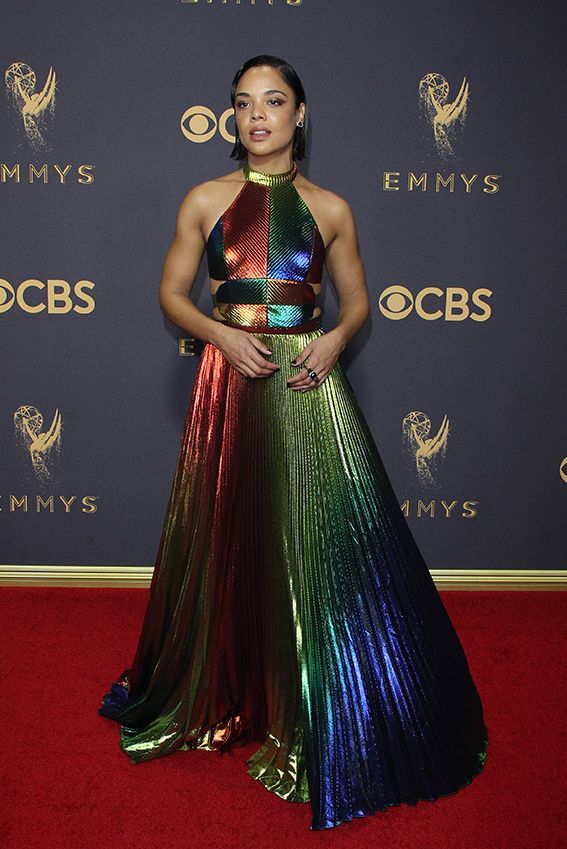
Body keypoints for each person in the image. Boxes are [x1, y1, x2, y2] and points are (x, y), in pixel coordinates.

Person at [99, 54, 488, 831]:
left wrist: (336, 338)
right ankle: (227, 686)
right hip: (228, 381)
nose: (257, 116)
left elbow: (359, 300)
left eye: (273, 101)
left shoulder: (332, 207)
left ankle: (317, 702)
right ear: (232, 118)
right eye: (243, 104)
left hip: (307, 382)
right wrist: (217, 334)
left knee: (321, 541)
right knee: (231, 540)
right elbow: (172, 293)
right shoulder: (205, 198)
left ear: (300, 114)